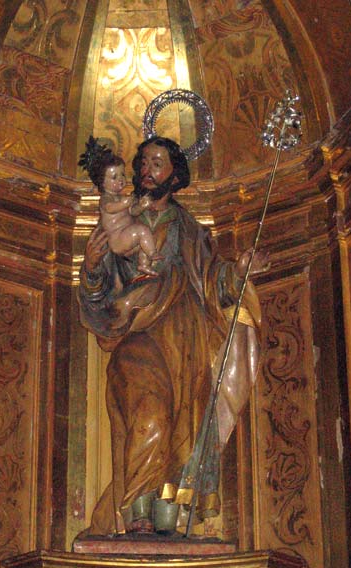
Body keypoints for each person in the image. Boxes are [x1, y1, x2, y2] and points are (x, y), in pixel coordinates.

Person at [77, 136, 264, 537]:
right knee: (150, 415)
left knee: (182, 430)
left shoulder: (190, 230)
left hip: (185, 341)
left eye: (157, 163)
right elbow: (97, 298)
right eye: (143, 163)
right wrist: (91, 266)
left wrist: (237, 272)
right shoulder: (120, 222)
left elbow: (213, 281)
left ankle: (164, 523)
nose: (146, 171)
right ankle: (136, 515)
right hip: (137, 334)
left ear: (174, 175)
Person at [78, 138, 162, 276]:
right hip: (118, 238)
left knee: (146, 238)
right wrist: (125, 203)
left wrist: (141, 206)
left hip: (127, 236)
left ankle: (144, 264)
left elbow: (132, 212)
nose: (121, 179)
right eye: (114, 177)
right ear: (102, 182)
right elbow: (110, 208)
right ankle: (152, 254)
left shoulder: (122, 198)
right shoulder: (107, 199)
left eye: (122, 174)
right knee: (142, 231)